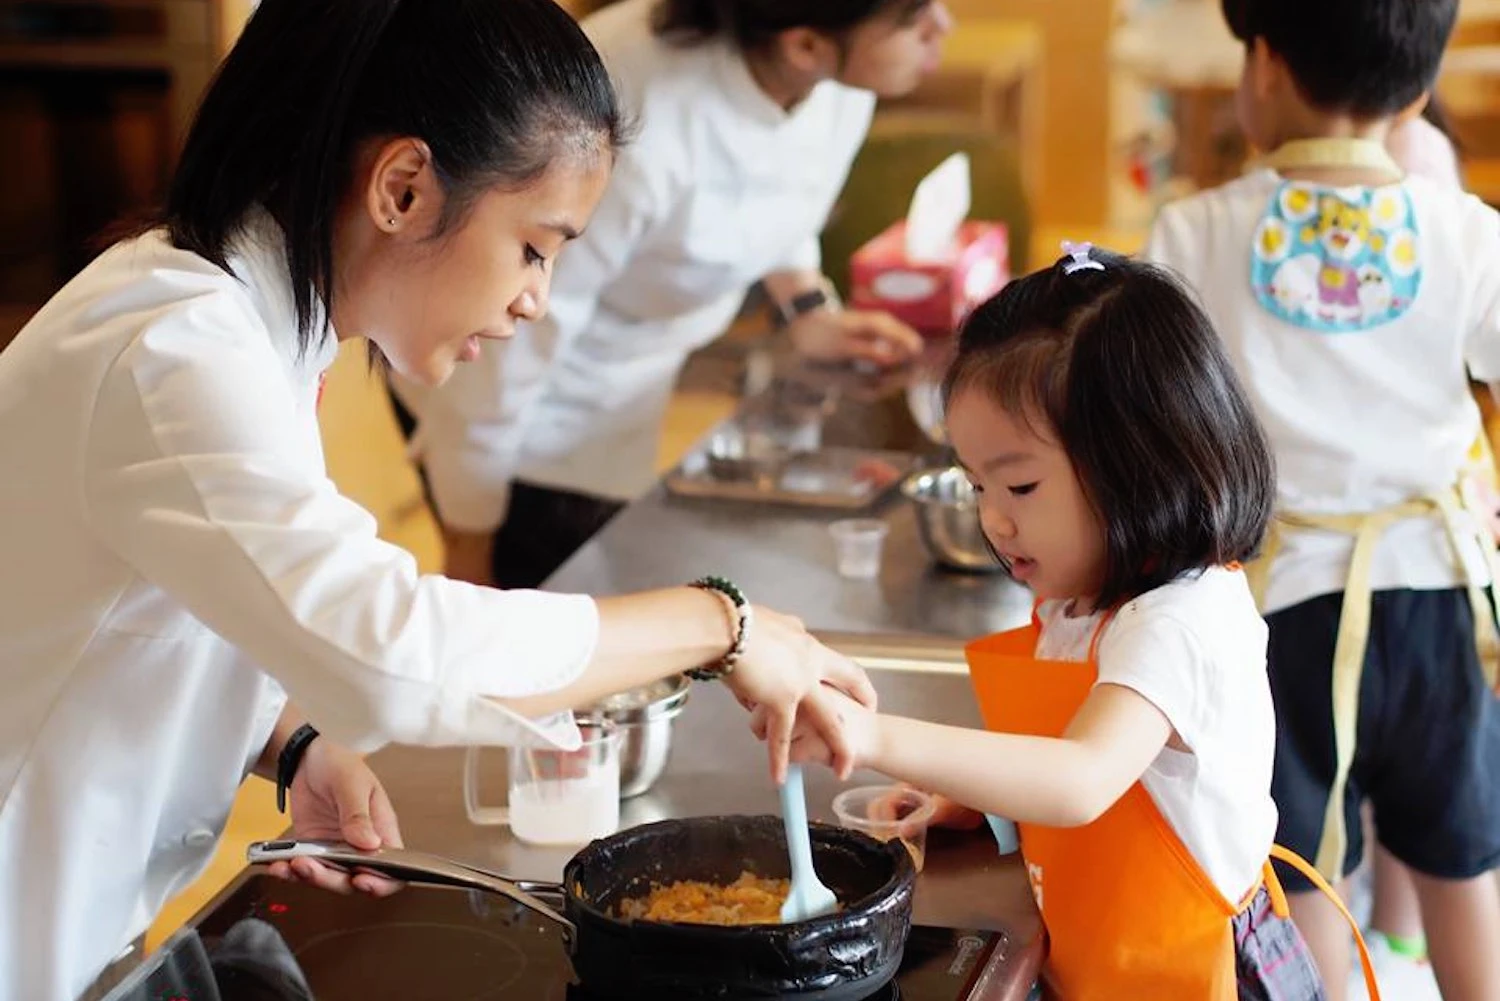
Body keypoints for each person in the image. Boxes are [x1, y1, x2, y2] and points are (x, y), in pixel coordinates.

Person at [0, 1, 874, 998]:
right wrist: (721, 623)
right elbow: (394, 650)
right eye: (535, 247)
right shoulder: (175, 349)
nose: (534, 298)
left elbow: (188, 600)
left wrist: (289, 741)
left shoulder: (250, 328)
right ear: (404, 187)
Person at [760, 248, 1376, 999]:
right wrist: (974, 801)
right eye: (977, 483)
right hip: (1102, 956)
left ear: (1141, 462)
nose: (993, 518)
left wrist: (876, 735)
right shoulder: (1078, 597)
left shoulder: (1180, 620)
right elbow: (1074, 769)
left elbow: (1082, 777)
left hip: (1195, 971)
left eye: (1019, 484)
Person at [1145, 1, 1500, 997]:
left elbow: (1150, 423)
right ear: (1419, 91)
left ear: (1263, 65)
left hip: (1276, 604)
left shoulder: (1196, 228)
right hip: (1438, 596)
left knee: (1301, 856)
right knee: (1461, 851)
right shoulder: (1468, 231)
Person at [390, 0, 950, 590]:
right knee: (538, 606)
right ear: (805, 45)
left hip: (624, 379)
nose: (944, 28)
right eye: (915, 20)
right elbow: (509, 337)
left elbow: (780, 198)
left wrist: (805, 306)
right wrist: (470, 539)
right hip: (513, 387)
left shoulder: (838, 81)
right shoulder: (632, 115)